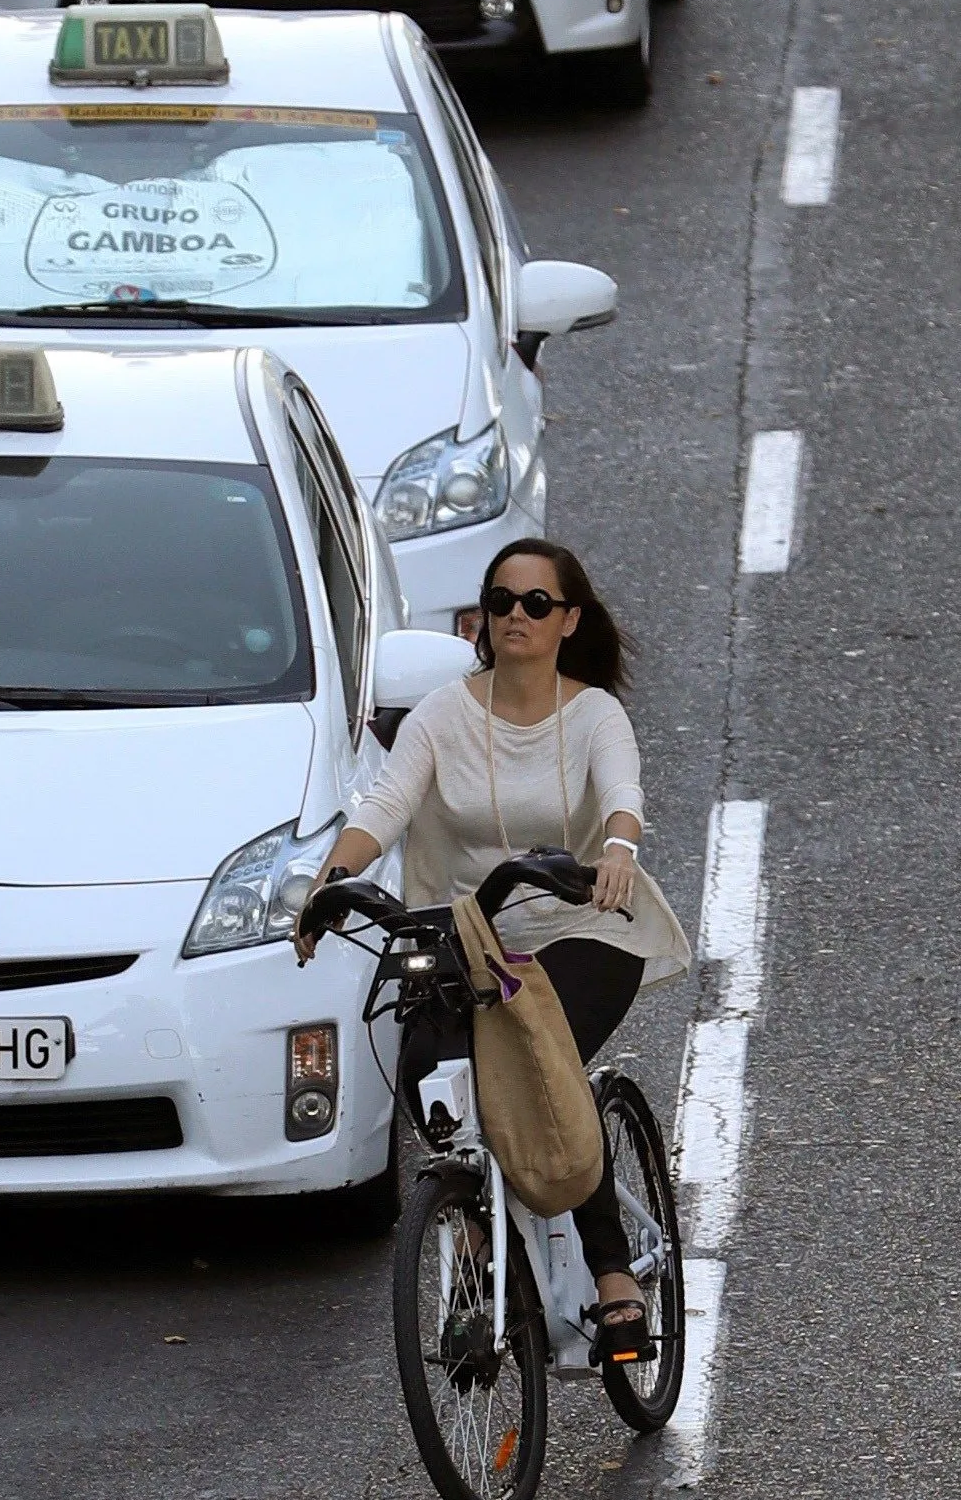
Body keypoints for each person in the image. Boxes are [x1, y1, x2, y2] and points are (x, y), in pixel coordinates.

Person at [302, 536, 688, 1354]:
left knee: (540, 1065)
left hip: (582, 925)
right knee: (421, 1058)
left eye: (536, 603)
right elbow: (385, 804)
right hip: (468, 934)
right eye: (502, 601)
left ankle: (613, 1272)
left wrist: (618, 848)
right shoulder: (446, 713)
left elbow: (623, 791)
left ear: (568, 619)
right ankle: (472, 1222)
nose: (517, 615)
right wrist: (331, 880)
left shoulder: (593, 713)